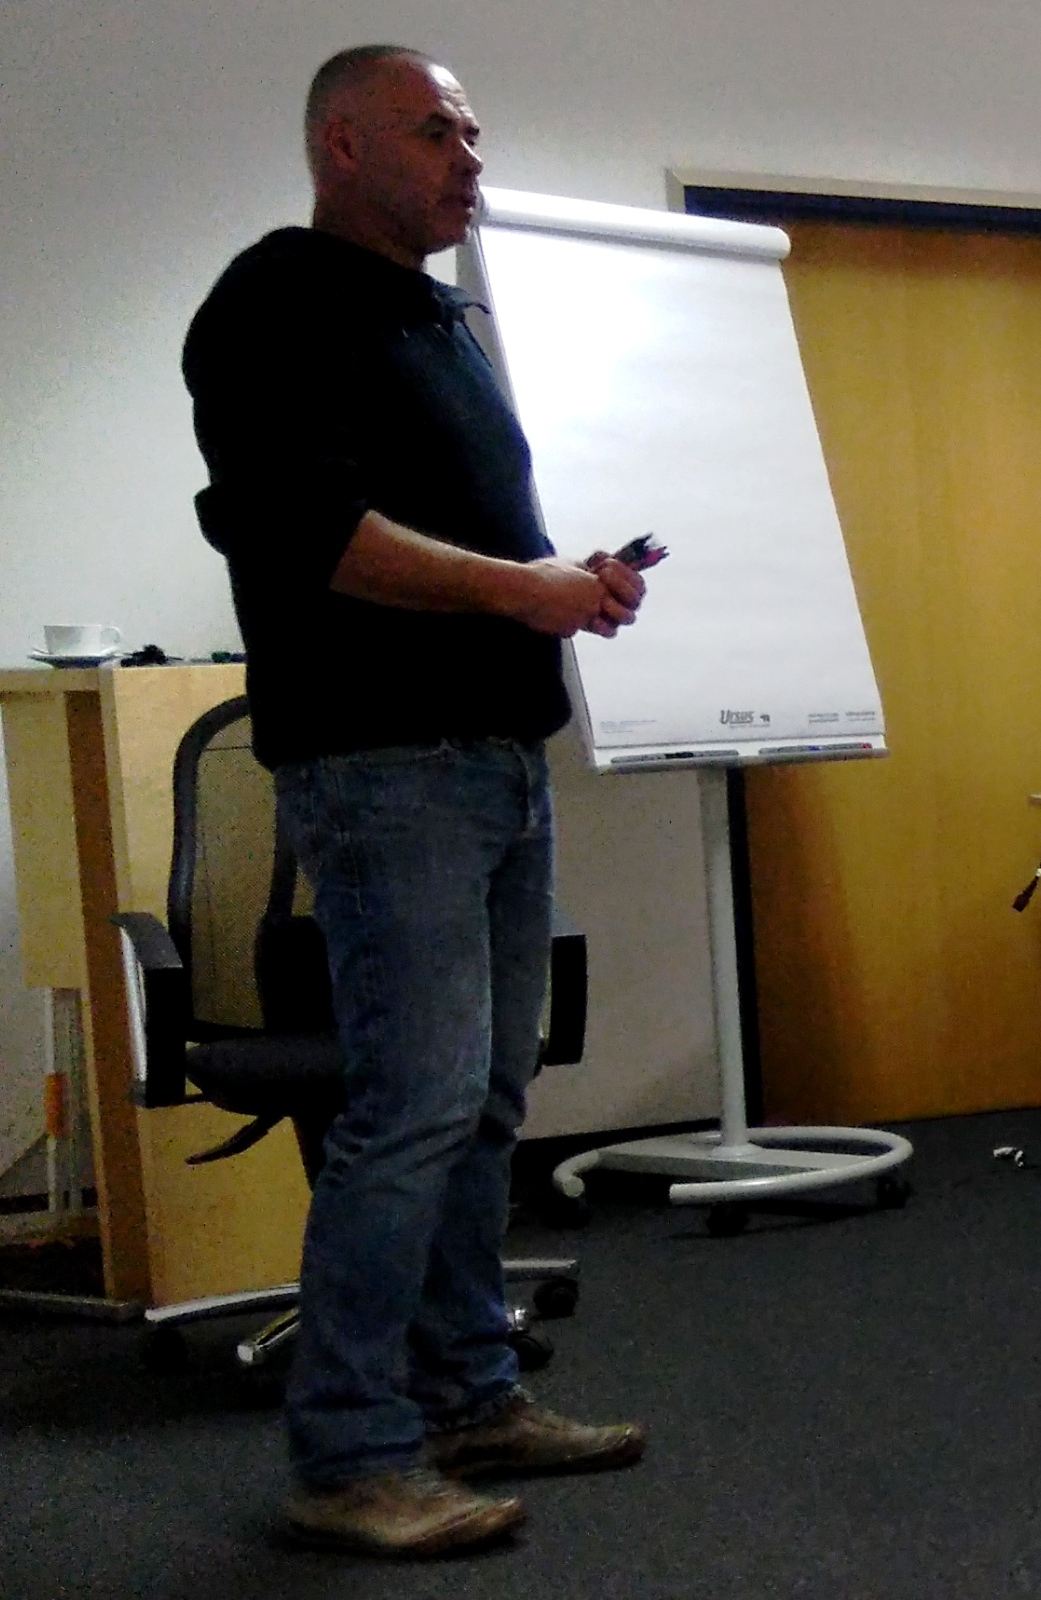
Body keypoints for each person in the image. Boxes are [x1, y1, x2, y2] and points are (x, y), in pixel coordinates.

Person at [184, 45, 650, 1556]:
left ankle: (469, 1394)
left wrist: (566, 581)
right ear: (341, 144)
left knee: (488, 1098)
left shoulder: (437, 319)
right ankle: (348, 1453)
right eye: (436, 130)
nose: (470, 158)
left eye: (474, 132)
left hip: (497, 757)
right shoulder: (275, 302)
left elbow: (459, 533)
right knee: (412, 1106)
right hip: (387, 766)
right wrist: (521, 591)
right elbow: (311, 535)